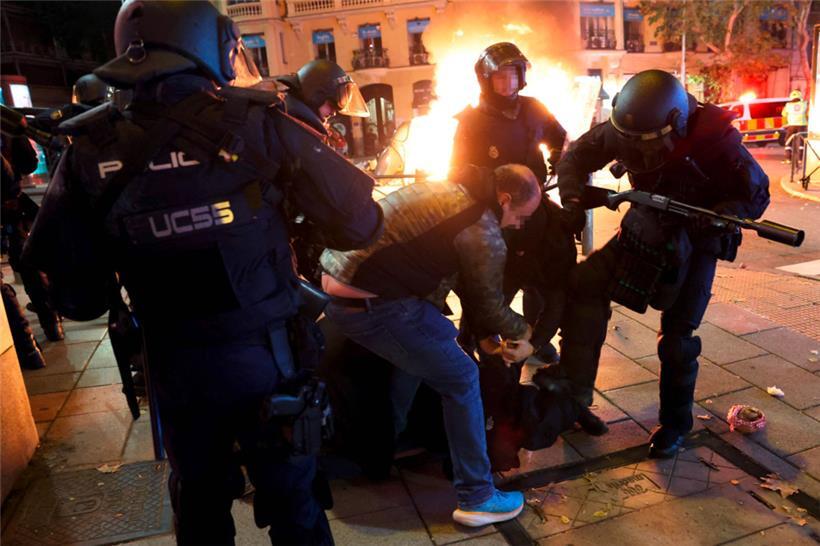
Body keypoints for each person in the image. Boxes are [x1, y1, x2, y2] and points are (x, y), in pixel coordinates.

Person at [23, 1, 383, 544]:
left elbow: (75, 297)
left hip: (176, 369)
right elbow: (361, 224)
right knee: (296, 507)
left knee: (200, 506)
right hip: (268, 361)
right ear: (207, 42)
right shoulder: (260, 121)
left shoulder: (90, 146)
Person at [555, 70, 770, 458]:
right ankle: (573, 399)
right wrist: (572, 200)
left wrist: (724, 213)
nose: (640, 151)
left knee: (677, 340)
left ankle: (675, 424)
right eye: (631, 142)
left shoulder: (716, 140)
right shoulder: (627, 126)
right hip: (645, 224)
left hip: (696, 241)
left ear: (676, 122)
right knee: (583, 285)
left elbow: (757, 195)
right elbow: (575, 158)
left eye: (650, 143)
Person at [320, 163, 540, 527]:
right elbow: (489, 303)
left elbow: (447, 278)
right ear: (504, 199)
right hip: (372, 302)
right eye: (521, 216)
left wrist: (481, 335)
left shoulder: (450, 188)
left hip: (338, 280)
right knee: (462, 377)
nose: (518, 225)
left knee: (431, 352)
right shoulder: (483, 228)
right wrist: (525, 334)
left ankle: (381, 454)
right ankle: (477, 497)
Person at [451, 42, 568, 363]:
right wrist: (498, 183)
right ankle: (471, 340)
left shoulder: (534, 108)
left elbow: (559, 138)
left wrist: (560, 157)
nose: (508, 83)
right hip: (496, 214)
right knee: (491, 284)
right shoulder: (472, 120)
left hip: (535, 207)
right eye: (500, 76)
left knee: (538, 277)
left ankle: (535, 337)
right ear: (486, 79)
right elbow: (456, 170)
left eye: (513, 75)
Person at [1, 131, 64, 342]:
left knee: (26, 265)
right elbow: (29, 163)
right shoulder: (6, 125)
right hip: (12, 206)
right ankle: (51, 324)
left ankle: (29, 337)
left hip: (11, 207)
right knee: (29, 264)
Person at [781, 89, 807, 163]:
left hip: (792, 125)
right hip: (802, 125)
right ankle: (800, 159)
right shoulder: (804, 104)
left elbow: (783, 114)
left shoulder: (788, 105)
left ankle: (788, 158)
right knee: (801, 142)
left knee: (788, 141)